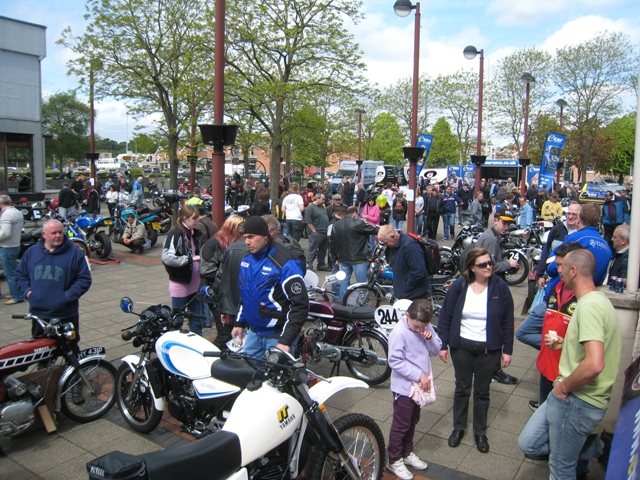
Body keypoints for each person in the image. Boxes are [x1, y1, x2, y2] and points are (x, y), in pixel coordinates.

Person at [518, 250, 621, 479]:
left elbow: (594, 364)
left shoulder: (589, 308)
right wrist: (567, 343)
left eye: (562, 267)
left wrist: (563, 388)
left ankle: (595, 447)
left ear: (574, 271)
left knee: (561, 469)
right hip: (568, 396)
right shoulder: (597, 301)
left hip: (576, 401)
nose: (558, 271)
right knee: (529, 443)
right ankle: (594, 447)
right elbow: (592, 349)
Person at [438, 247, 514, 454]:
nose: (489, 266)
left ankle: (480, 433)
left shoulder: (500, 287)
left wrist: (507, 350)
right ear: (472, 268)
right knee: (462, 388)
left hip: (489, 350)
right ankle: (458, 428)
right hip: (462, 347)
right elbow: (446, 316)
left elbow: (508, 321)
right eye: (483, 264)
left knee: (482, 392)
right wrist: (442, 345)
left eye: (490, 263)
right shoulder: (460, 286)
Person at [231, 216, 309, 356]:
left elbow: (300, 304)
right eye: (244, 238)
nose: (247, 242)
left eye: (251, 237)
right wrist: (239, 323)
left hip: (277, 336)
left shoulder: (285, 261)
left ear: (265, 236)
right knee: (248, 373)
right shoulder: (246, 259)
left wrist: (286, 341)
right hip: (254, 333)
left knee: (278, 376)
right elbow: (246, 295)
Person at [15, 219, 92, 352]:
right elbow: (20, 275)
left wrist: (66, 297)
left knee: (70, 349)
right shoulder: (32, 253)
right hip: (40, 314)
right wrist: (28, 293)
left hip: (66, 313)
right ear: (44, 234)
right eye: (53, 233)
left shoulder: (74, 253)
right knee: (40, 350)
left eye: (60, 232)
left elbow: (84, 279)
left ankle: (75, 372)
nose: (58, 236)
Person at [387, 299, 442, 480]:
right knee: (401, 423)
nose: (419, 330)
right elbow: (395, 361)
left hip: (418, 386)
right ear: (407, 316)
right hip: (404, 387)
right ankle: (394, 458)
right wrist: (419, 374)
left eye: (423, 327)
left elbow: (436, 350)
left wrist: (430, 338)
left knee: (412, 420)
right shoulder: (399, 332)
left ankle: (407, 452)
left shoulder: (425, 328)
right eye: (416, 326)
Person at [526, 242, 584, 412]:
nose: (559, 270)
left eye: (562, 265)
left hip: (566, 373)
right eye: (557, 265)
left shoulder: (583, 298)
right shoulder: (556, 288)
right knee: (544, 411)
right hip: (546, 366)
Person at [200, 215, 245, 350]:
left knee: (233, 330)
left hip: (229, 293)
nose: (243, 233)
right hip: (215, 293)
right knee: (225, 333)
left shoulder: (236, 244)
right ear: (232, 228)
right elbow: (206, 270)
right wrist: (227, 276)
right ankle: (209, 360)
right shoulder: (213, 243)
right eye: (240, 229)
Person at [161, 204, 207, 336]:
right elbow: (167, 257)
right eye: (194, 219)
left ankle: (197, 343)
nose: (197, 221)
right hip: (180, 283)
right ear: (185, 218)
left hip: (195, 283)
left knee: (197, 319)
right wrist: (189, 259)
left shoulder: (194, 233)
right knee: (177, 320)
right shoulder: (176, 234)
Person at [331, 206, 379, 303]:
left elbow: (333, 242)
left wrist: (335, 257)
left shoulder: (336, 225)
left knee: (344, 283)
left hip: (343, 258)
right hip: (359, 258)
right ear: (355, 213)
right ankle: (362, 304)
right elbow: (374, 230)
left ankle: (344, 303)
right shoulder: (359, 223)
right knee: (361, 284)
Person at [378, 225, 431, 301]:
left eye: (386, 242)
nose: (386, 245)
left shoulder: (411, 247)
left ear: (393, 236)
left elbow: (418, 271)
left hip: (414, 296)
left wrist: (406, 287)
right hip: (405, 293)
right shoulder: (394, 246)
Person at [0, 195, 25, 304]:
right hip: (15, 244)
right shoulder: (17, 212)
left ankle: (17, 296)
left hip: (7, 246)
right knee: (13, 271)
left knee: (9, 273)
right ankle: (15, 292)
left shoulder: (6, 215)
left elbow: (6, 233)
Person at [304, 193, 330, 271]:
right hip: (316, 233)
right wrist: (314, 231)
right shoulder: (310, 208)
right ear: (317, 198)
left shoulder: (322, 207)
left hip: (324, 232)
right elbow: (308, 221)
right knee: (313, 250)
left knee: (323, 250)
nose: (324, 201)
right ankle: (309, 265)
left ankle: (321, 265)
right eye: (322, 199)